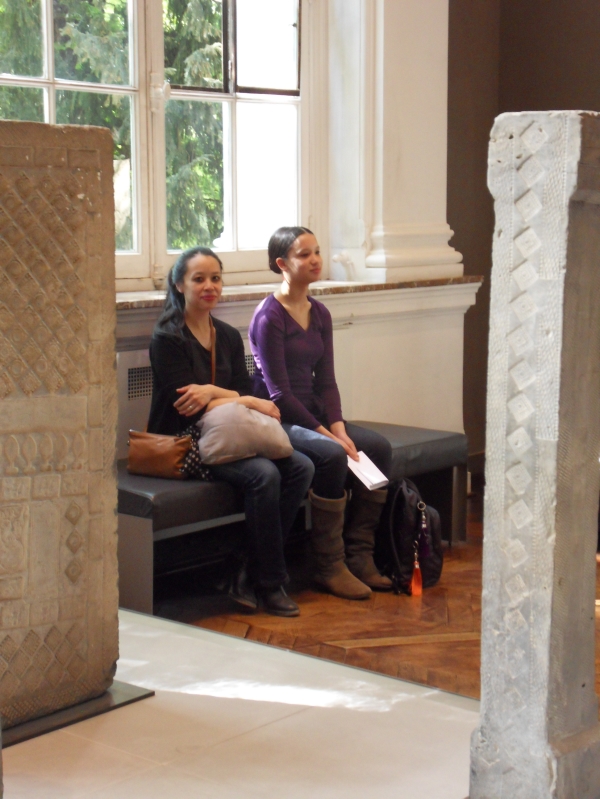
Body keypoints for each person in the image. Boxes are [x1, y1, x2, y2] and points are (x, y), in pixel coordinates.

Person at [147, 246, 314, 617]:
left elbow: (238, 388)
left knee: (302, 466)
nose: (210, 286)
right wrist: (242, 400)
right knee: (264, 474)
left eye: (216, 278)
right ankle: (269, 582)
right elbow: (186, 405)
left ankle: (245, 566)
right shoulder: (167, 338)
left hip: (229, 433)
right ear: (179, 285)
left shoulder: (224, 335)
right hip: (184, 443)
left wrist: (213, 392)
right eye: (199, 279)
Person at [248, 227, 393, 601]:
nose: (315, 260)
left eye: (317, 252)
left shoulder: (321, 313)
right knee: (330, 455)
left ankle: (359, 555)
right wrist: (328, 437)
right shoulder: (269, 316)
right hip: (276, 417)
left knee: (377, 448)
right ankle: (328, 566)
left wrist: (339, 428)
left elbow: (326, 381)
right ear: (282, 264)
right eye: (304, 254)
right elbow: (279, 394)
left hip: (311, 412)